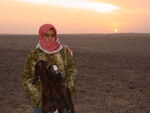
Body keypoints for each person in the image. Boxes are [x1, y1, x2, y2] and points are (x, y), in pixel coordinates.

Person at [22, 24, 78, 113]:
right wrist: (39, 93)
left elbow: (72, 69)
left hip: (62, 98)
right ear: (41, 36)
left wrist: (67, 85)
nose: (50, 38)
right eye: (47, 35)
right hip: (42, 101)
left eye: (52, 35)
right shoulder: (34, 54)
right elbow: (27, 76)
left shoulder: (64, 52)